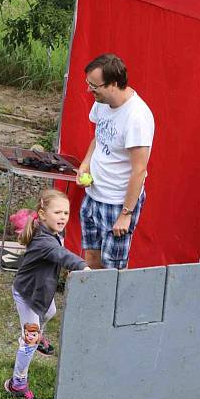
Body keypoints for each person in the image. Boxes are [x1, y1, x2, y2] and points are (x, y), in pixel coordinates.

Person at [4, 189, 89, 399]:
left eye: (66, 213)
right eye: (57, 212)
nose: (63, 217)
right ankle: (17, 384)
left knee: (50, 312)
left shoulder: (53, 234)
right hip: (27, 294)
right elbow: (61, 255)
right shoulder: (45, 241)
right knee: (29, 339)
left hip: (41, 292)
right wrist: (81, 266)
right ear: (42, 215)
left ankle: (38, 336)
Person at [77, 53, 154, 270]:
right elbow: (99, 138)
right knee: (91, 257)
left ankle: (109, 305)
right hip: (93, 194)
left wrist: (125, 215)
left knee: (112, 269)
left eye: (94, 86)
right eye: (88, 84)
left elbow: (139, 170)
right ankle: (89, 303)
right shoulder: (102, 103)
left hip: (118, 202)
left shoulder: (136, 117)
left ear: (113, 84)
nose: (89, 90)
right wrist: (85, 164)